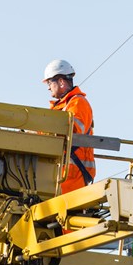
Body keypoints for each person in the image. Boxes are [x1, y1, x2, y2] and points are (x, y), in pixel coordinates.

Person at [42, 58, 95, 194]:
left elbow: (73, 131)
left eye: (49, 82)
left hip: (72, 176)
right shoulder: (61, 107)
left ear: (60, 82)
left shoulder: (78, 103)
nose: (48, 87)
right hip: (60, 175)